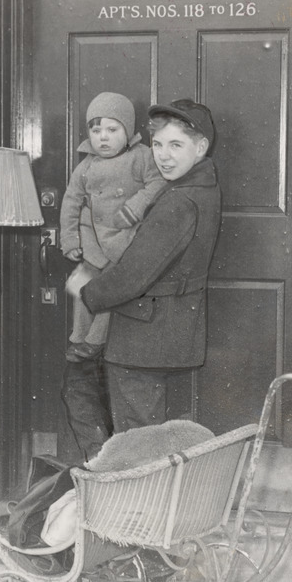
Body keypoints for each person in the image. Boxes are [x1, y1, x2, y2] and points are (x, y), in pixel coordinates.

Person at [79, 98, 222, 433]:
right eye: (157, 144)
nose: (163, 155)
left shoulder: (178, 201)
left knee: (138, 438)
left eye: (175, 145)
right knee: (155, 435)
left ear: (200, 147)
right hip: (168, 328)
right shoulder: (202, 187)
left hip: (143, 337)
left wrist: (87, 293)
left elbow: (132, 275)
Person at [60, 92, 165, 362]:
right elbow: (71, 201)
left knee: (112, 290)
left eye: (112, 129)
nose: (103, 137)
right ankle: (78, 336)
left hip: (124, 239)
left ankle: (95, 341)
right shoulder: (85, 165)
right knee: (81, 287)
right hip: (93, 239)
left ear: (128, 130)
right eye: (96, 130)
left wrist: (134, 208)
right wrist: (70, 239)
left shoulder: (142, 157)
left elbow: (157, 184)